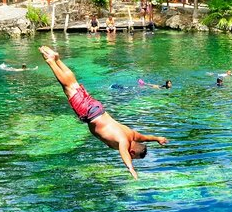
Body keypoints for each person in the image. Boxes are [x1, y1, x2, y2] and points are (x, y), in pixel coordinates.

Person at [39, 46, 168, 179]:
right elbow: (124, 153)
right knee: (68, 87)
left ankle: (58, 59)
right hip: (90, 113)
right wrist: (131, 168)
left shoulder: (132, 134)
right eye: (133, 157)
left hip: (97, 108)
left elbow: (146, 138)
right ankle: (51, 62)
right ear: (133, 151)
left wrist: (158, 139)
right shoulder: (124, 142)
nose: (131, 157)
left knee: (74, 85)